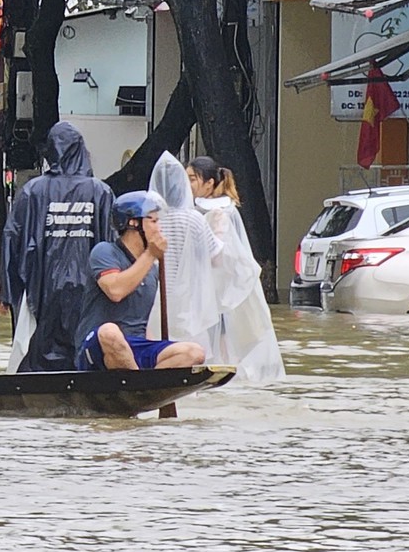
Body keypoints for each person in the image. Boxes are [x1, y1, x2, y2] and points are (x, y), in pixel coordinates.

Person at [0, 122, 117, 372]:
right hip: (90, 286)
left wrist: (7, 289)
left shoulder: (34, 191)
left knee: (36, 352)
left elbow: (13, 238)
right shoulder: (101, 192)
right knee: (85, 349)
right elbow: (113, 242)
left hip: (43, 287)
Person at [74, 192, 206, 371]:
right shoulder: (104, 252)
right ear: (133, 223)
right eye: (153, 221)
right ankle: (140, 386)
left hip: (135, 346)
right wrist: (151, 254)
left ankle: (144, 387)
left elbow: (139, 321)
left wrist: (156, 346)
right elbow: (115, 291)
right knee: (110, 331)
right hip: (100, 345)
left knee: (193, 352)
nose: (159, 228)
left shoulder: (150, 268)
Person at [183, 155, 286, 383]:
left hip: (221, 292)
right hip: (211, 290)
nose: (187, 184)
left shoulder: (218, 212)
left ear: (209, 183)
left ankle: (220, 381)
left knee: (221, 341)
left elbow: (220, 257)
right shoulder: (201, 210)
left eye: (192, 179)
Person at [146, 153, 223, 352]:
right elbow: (217, 259)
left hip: (155, 305)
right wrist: (219, 233)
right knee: (193, 356)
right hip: (190, 309)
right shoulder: (195, 220)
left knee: (159, 355)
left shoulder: (149, 220)